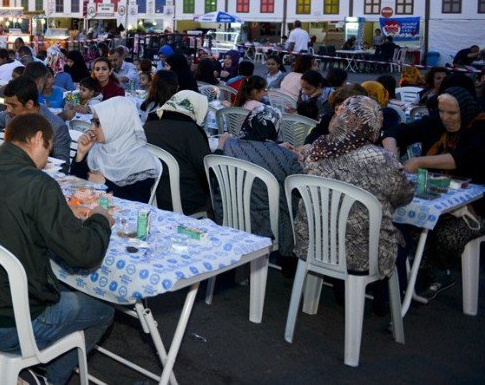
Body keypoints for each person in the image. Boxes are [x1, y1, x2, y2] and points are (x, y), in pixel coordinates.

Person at [0, 112, 114, 385]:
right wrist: (101, 219)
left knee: (63, 283)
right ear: (39, 138)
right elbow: (85, 253)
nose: (47, 157)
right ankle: (49, 378)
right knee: (104, 308)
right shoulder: (39, 184)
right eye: (49, 148)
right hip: (12, 322)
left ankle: (38, 365)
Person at [293, 95, 414, 311]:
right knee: (401, 236)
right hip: (361, 254)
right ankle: (385, 302)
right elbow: (403, 196)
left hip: (315, 242)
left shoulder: (317, 149)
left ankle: (345, 293)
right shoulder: (381, 159)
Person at [398, 87, 485, 297]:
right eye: (441, 111)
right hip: (436, 199)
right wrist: (392, 151)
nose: (445, 117)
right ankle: (419, 274)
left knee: (448, 237)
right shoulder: (434, 123)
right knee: (409, 225)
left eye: (452, 113)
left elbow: (465, 158)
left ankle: (432, 272)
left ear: (465, 111)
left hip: (474, 208)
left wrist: (420, 161)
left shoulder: (480, 129)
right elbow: (399, 132)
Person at [217, 105, 302, 261]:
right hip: (271, 225)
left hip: (229, 216)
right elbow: (301, 189)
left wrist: (275, 149)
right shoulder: (285, 156)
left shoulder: (229, 146)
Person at [72, 96, 161, 202]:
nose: (92, 128)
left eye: (97, 123)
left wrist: (105, 185)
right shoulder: (96, 149)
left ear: (117, 124)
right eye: (92, 122)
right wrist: (81, 154)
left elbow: (138, 202)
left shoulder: (141, 161)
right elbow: (74, 184)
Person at [0, 76, 72, 164]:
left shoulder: (56, 127)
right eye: (7, 104)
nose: (8, 110)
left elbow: (62, 166)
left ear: (29, 104)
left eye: (13, 106)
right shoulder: (10, 115)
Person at [144, 90, 211, 214]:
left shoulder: (149, 125)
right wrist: (220, 148)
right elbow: (207, 169)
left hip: (151, 195)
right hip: (185, 200)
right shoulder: (190, 131)